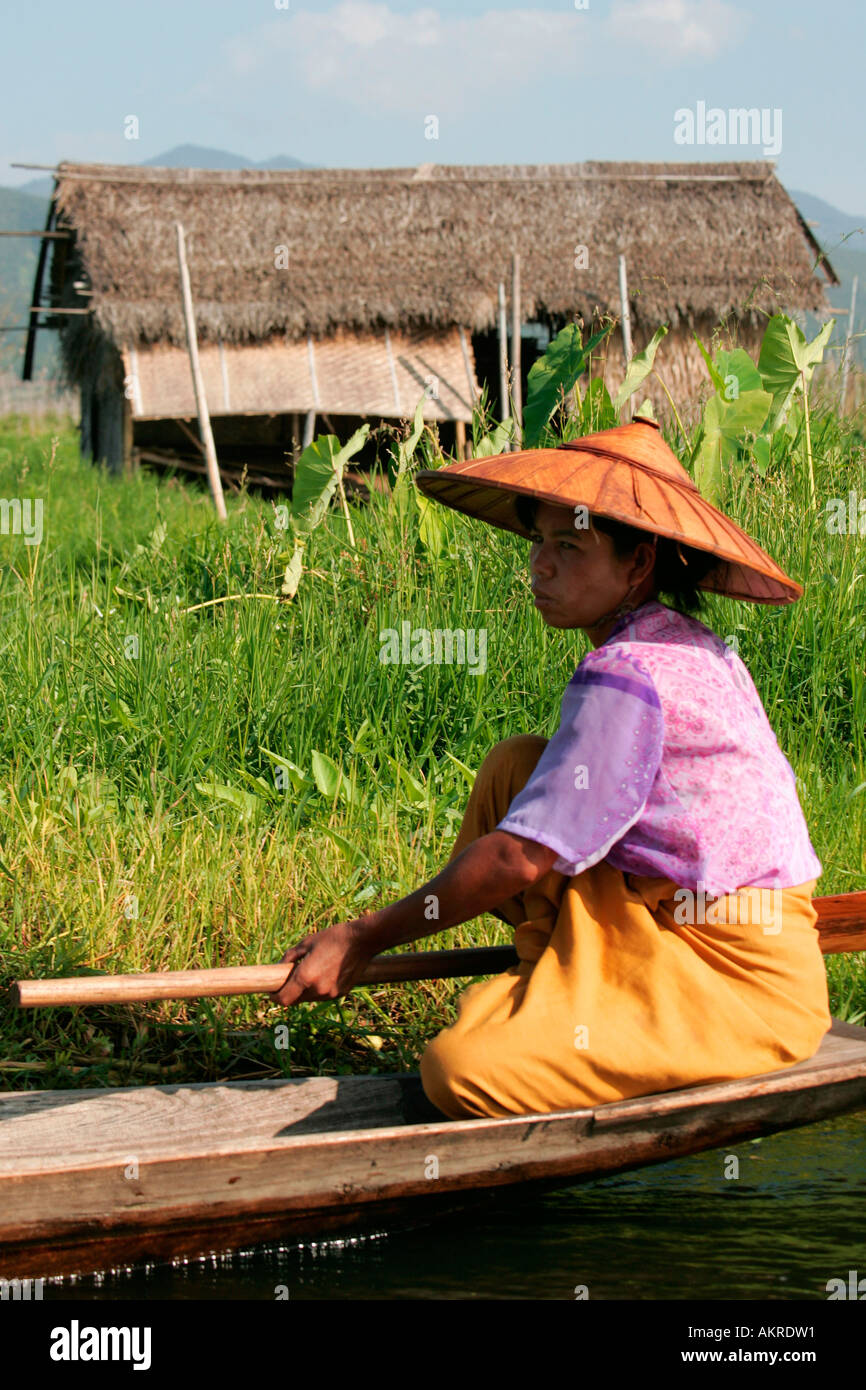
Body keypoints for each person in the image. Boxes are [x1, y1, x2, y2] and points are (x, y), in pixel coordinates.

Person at [270, 418, 831, 1119]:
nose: (540, 565)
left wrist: (363, 937)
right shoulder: (685, 642)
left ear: (637, 563)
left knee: (459, 1070)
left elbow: (520, 857)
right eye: (540, 541)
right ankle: (558, 976)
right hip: (679, 916)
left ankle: (555, 1001)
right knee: (517, 765)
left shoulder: (629, 674)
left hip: (742, 983)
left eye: (570, 547)